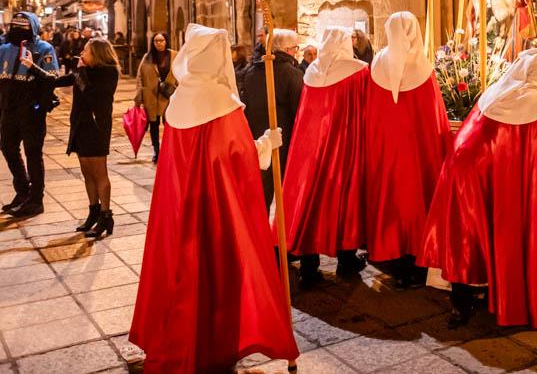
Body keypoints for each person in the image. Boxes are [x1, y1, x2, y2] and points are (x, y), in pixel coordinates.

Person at [129, 23, 298, 371]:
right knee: (217, 280)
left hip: (181, 210)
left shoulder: (179, 100)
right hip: (215, 212)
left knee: (183, 277)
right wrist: (267, 143)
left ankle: (185, 344)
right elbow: (237, 157)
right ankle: (214, 352)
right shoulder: (221, 103)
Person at [421, 48, 537, 329]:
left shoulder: (498, 90)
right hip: (491, 176)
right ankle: (500, 294)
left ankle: (460, 304)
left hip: (460, 168)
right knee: (500, 233)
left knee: (465, 237)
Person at [364, 12, 453, 288]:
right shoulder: (422, 69)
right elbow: (434, 118)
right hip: (417, 155)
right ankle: (417, 258)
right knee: (417, 200)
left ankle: (389, 253)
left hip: (386, 150)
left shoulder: (377, 65)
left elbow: (372, 112)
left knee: (389, 199)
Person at [283, 27, 369, 289]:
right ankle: (346, 259)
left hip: (310, 147)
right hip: (344, 145)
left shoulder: (312, 72)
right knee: (344, 198)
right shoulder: (357, 71)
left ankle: (309, 267)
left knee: (312, 200)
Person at [23, 37, 120, 237]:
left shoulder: (108, 72)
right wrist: (32, 66)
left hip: (97, 128)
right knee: (87, 172)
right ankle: (93, 212)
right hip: (80, 126)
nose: (81, 54)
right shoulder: (81, 71)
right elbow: (54, 81)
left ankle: (106, 216)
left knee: (99, 173)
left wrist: (80, 71)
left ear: (97, 54)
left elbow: (93, 95)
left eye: (86, 51)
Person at [0, 12, 60, 217]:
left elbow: (52, 78)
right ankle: (23, 191)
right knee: (8, 148)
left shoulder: (44, 49)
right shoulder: (4, 49)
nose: (18, 31)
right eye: (15, 26)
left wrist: (40, 105)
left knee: (33, 154)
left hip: (31, 111)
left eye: (23, 27)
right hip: (8, 110)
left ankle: (36, 199)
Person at [239, 28, 304, 211]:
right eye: (295, 48)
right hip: (284, 140)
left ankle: (260, 228)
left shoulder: (251, 72)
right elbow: (299, 111)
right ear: (287, 50)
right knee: (287, 196)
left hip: (259, 141)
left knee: (261, 196)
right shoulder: (292, 73)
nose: (296, 52)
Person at [134, 32, 177, 163]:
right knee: (154, 125)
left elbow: (181, 73)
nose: (159, 43)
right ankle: (156, 151)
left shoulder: (174, 55)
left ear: (166, 41)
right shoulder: (147, 57)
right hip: (151, 96)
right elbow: (140, 76)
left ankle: (169, 150)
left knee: (169, 124)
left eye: (161, 40)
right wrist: (138, 97)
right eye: (156, 41)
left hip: (168, 96)